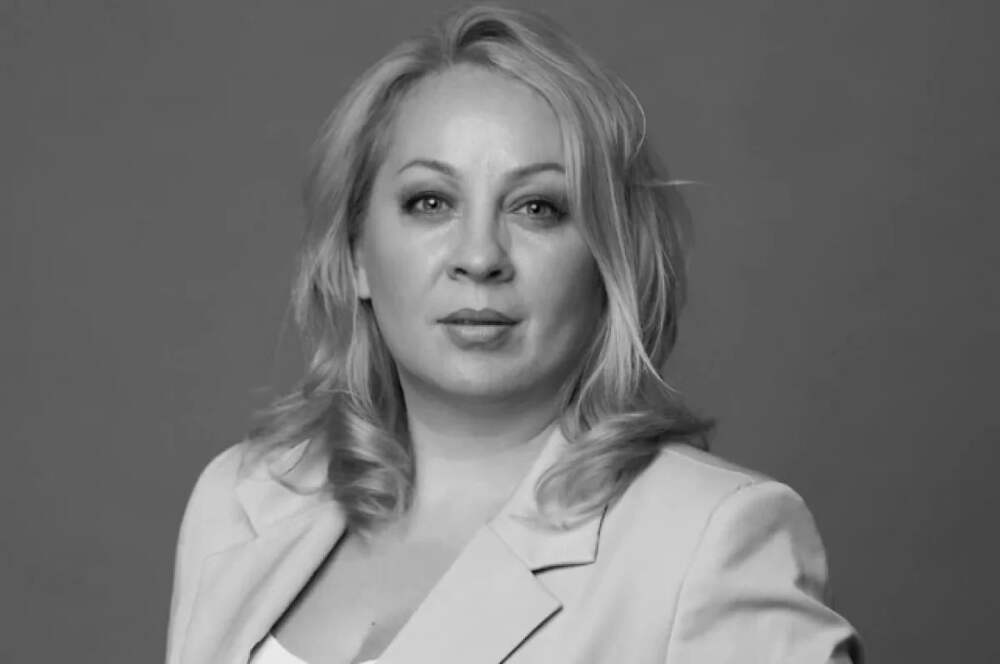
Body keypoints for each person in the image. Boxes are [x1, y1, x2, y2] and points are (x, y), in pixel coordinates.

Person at [166, 5, 862, 663]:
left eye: (538, 208)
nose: (479, 257)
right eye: (430, 202)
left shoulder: (712, 542)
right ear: (356, 257)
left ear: (607, 260)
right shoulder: (238, 501)